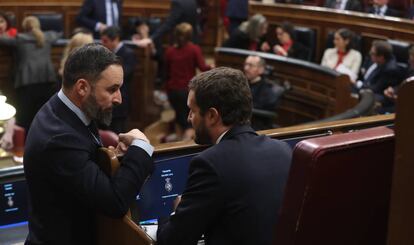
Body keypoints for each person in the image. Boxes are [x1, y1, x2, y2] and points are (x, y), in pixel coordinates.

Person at [23, 43, 154, 244]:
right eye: (113, 89)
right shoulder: (59, 139)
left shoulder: (67, 109)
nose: (119, 98)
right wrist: (142, 147)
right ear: (82, 87)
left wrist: (111, 162)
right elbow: (114, 202)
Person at [156, 67, 292, 245]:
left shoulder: (210, 163)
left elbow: (172, 240)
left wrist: (178, 209)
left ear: (212, 116)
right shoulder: (283, 150)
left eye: (192, 110)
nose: (189, 118)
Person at [0, 16, 60, 134]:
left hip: (26, 82)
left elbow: (2, 40)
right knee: (45, 117)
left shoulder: (19, 38)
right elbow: (59, 33)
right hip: (47, 81)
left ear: (24, 27)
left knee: (25, 118)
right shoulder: (48, 37)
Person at [164, 22, 211, 140]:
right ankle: (183, 147)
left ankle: (177, 141)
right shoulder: (194, 49)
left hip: (173, 91)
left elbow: (165, 73)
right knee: (188, 122)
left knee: (179, 118)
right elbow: (202, 68)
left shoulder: (169, 51)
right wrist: (212, 66)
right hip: (187, 91)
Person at [101, 26, 137, 134]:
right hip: (107, 100)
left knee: (118, 131)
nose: (103, 44)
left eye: (105, 41)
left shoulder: (128, 53)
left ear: (115, 39)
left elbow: (125, 74)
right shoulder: (106, 53)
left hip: (121, 99)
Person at [244, 55, 284, 130]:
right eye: (245, 64)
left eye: (250, 65)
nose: (246, 68)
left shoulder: (268, 89)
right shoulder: (242, 83)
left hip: (257, 126)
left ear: (261, 70)